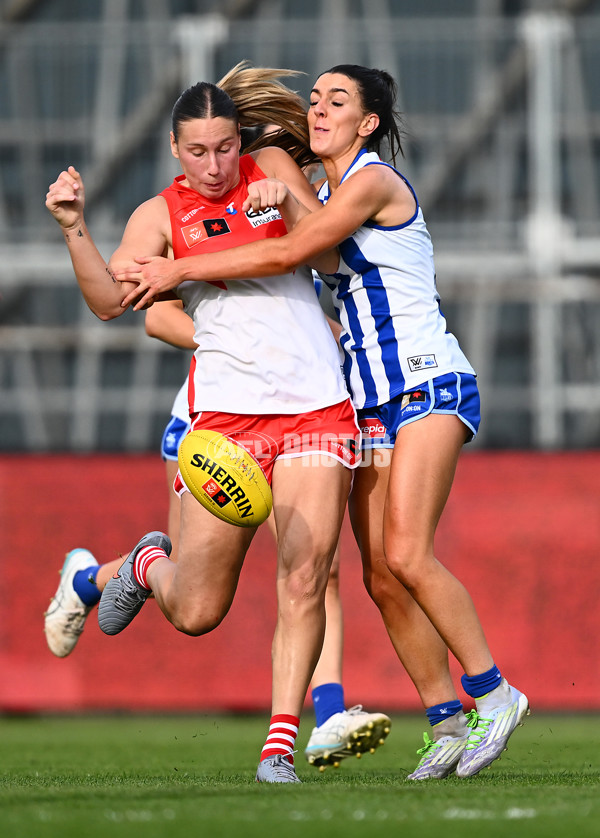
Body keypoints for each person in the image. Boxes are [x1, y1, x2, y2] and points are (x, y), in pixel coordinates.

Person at [116, 62, 530, 781]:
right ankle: (446, 721)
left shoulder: (372, 182)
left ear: (368, 123)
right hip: (369, 396)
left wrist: (180, 268)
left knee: (405, 553)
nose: (318, 108)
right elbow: (290, 246)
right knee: (378, 575)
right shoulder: (326, 190)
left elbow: (288, 252)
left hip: (425, 381)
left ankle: (494, 693)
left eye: (337, 100)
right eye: (313, 98)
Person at [44, 65, 393, 784]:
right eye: (198, 152)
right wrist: (75, 230)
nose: (214, 165)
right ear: (176, 149)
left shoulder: (269, 167)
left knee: (307, 575)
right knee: (198, 611)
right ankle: (143, 563)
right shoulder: (158, 215)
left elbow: (327, 256)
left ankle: (279, 750)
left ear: (243, 141)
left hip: (314, 407)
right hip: (226, 423)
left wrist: (289, 205)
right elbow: (113, 302)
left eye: (225, 148)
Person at [44, 297, 391, 770]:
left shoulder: (293, 225)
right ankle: (89, 580)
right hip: (216, 420)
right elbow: (157, 316)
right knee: (189, 592)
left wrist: (314, 338)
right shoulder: (189, 224)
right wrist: (249, 347)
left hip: (299, 415)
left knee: (316, 569)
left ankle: (328, 717)